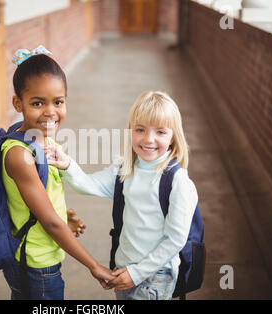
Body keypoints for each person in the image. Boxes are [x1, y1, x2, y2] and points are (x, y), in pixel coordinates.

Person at [46, 91, 198, 300]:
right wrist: (67, 164)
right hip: (124, 266)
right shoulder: (125, 169)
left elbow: (175, 240)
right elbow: (89, 184)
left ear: (173, 137)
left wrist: (136, 274)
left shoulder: (177, 181)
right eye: (140, 130)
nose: (148, 139)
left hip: (155, 274)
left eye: (160, 132)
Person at [1, 46, 113, 300]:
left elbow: (43, 202)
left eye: (58, 102)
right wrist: (93, 266)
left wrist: (64, 217)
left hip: (41, 252)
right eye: (37, 103)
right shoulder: (20, 154)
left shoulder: (45, 141)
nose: (50, 112)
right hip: (36, 262)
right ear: (18, 103)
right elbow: (49, 222)